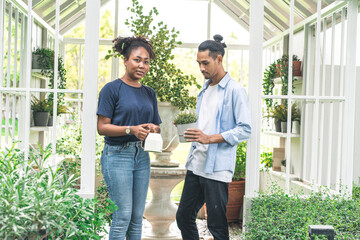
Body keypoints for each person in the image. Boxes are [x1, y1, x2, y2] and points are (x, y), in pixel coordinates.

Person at [176, 34, 252, 240]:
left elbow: (245, 129)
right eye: (199, 63)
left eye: (205, 63)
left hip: (217, 168)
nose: (201, 68)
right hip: (197, 163)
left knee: (216, 226)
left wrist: (210, 138)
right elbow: (206, 122)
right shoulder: (205, 89)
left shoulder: (235, 90)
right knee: (183, 217)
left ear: (219, 59)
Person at [97, 36, 161, 240]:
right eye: (137, 60)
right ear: (125, 60)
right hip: (117, 155)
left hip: (141, 156)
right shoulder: (111, 89)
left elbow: (156, 126)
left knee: (136, 217)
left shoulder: (149, 93)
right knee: (122, 216)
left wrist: (152, 128)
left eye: (146, 61)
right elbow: (102, 127)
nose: (142, 65)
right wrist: (130, 130)